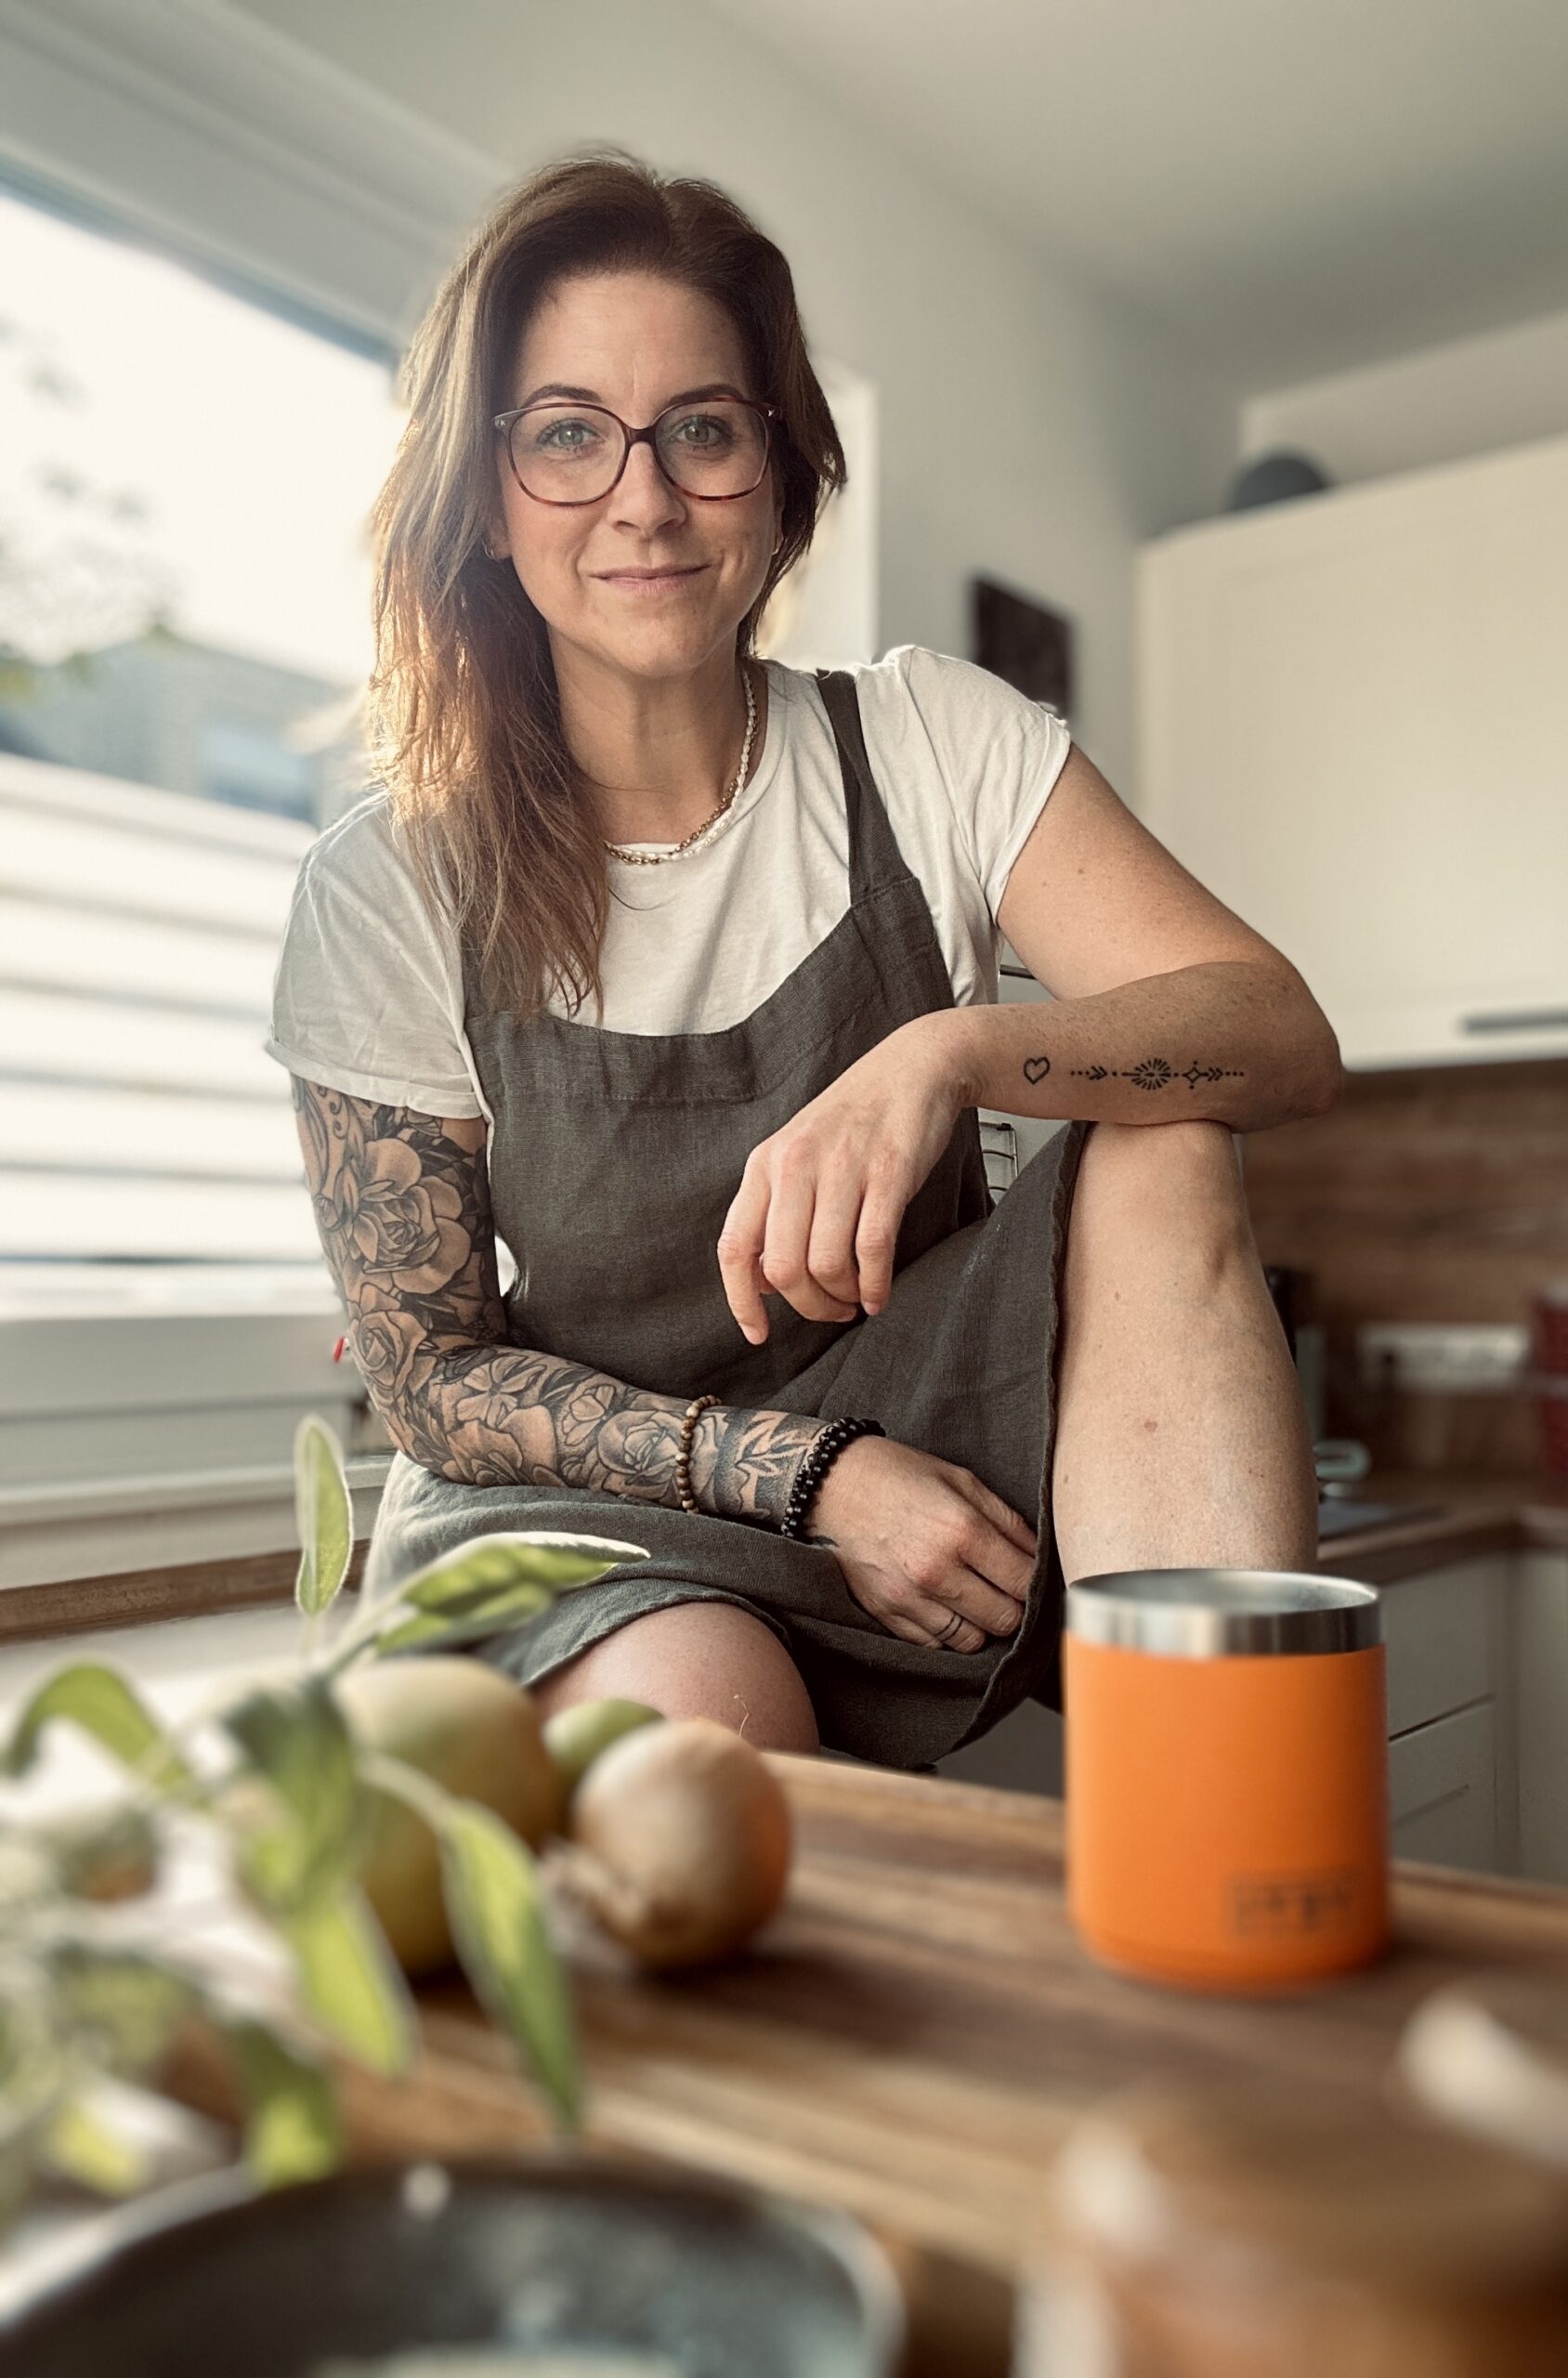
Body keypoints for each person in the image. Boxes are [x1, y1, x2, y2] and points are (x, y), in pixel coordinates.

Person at [265, 147, 1343, 1772]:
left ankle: (1212, 1816)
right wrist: (818, 1476)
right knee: (708, 1740)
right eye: (567, 434)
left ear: (780, 473)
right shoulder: (388, 881)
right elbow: (429, 1381)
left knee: (1168, 1137)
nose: (645, 496)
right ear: (485, 498)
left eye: (703, 427)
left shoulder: (931, 740)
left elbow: (1275, 1030)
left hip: (936, 1425)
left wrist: (951, 1054)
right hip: (593, 1511)